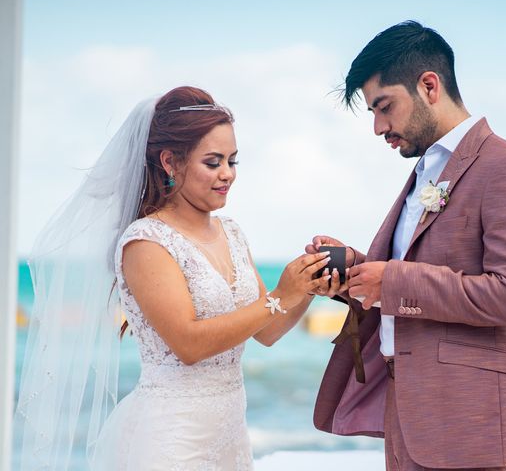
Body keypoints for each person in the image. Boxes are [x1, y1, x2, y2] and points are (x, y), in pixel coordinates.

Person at [15, 86, 331, 470]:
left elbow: (266, 331)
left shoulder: (232, 233)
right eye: (213, 162)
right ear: (170, 162)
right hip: (170, 438)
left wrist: (309, 286)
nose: (227, 174)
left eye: (233, 161)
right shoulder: (146, 242)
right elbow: (188, 344)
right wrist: (280, 293)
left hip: (231, 433)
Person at [307, 21, 506, 471]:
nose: (379, 127)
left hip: (463, 423)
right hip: (405, 412)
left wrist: (393, 281)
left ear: (428, 86)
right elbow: (414, 272)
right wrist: (359, 274)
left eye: (385, 107)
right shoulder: (428, 170)